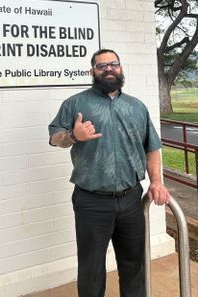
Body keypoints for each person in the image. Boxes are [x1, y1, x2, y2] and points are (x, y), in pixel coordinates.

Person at [48, 48, 170, 297]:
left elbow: (152, 148)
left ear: (121, 68)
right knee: (91, 270)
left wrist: (156, 182)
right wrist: (73, 135)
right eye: (101, 66)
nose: (108, 69)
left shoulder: (137, 107)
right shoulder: (75, 104)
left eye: (113, 64)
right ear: (92, 71)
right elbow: (54, 138)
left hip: (131, 199)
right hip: (91, 201)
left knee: (134, 266)